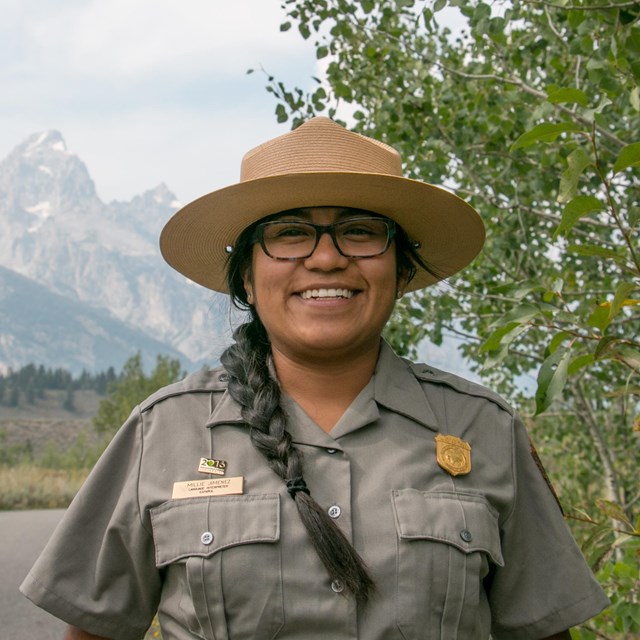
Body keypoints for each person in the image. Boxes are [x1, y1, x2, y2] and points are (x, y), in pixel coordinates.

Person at [21, 117, 609, 640]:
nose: (326, 258)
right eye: (290, 232)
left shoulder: (485, 429)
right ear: (246, 279)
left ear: (400, 270)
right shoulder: (163, 432)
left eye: (359, 230)